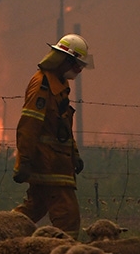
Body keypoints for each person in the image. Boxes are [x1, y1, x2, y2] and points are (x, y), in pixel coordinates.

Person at [12, 33, 94, 237]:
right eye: (77, 65)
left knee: (33, 209)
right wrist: (25, 160)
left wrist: (74, 153)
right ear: (64, 61)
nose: (79, 70)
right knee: (68, 216)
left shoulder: (60, 85)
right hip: (48, 165)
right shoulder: (43, 84)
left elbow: (62, 127)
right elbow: (29, 125)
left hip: (57, 162)